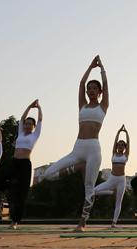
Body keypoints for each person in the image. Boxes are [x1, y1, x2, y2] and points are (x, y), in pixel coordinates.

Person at [42, 56, 109, 231]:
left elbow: (107, 85)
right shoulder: (82, 106)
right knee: (48, 174)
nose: (91, 90)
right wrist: (90, 66)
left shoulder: (103, 106)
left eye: (95, 88)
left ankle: (82, 223)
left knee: (89, 188)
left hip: (93, 149)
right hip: (77, 148)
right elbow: (80, 83)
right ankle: (77, 167)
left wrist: (101, 68)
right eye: (90, 89)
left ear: (100, 92)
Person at [7, 100, 42, 229]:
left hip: (25, 164)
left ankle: (15, 221)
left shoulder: (35, 135)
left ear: (33, 127)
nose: (27, 125)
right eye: (26, 124)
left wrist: (38, 108)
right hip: (14, 162)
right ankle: (12, 217)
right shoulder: (20, 133)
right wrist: (29, 106)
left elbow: (40, 121)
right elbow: (21, 118)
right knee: (11, 191)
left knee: (22, 193)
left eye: (29, 124)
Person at [92, 125, 130, 228]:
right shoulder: (113, 153)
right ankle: (110, 192)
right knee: (94, 191)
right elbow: (114, 142)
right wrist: (118, 132)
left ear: (124, 147)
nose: (120, 146)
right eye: (119, 145)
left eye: (122, 145)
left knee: (118, 202)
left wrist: (126, 133)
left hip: (121, 180)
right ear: (117, 146)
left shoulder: (125, 155)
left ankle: (114, 223)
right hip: (112, 179)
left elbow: (129, 143)